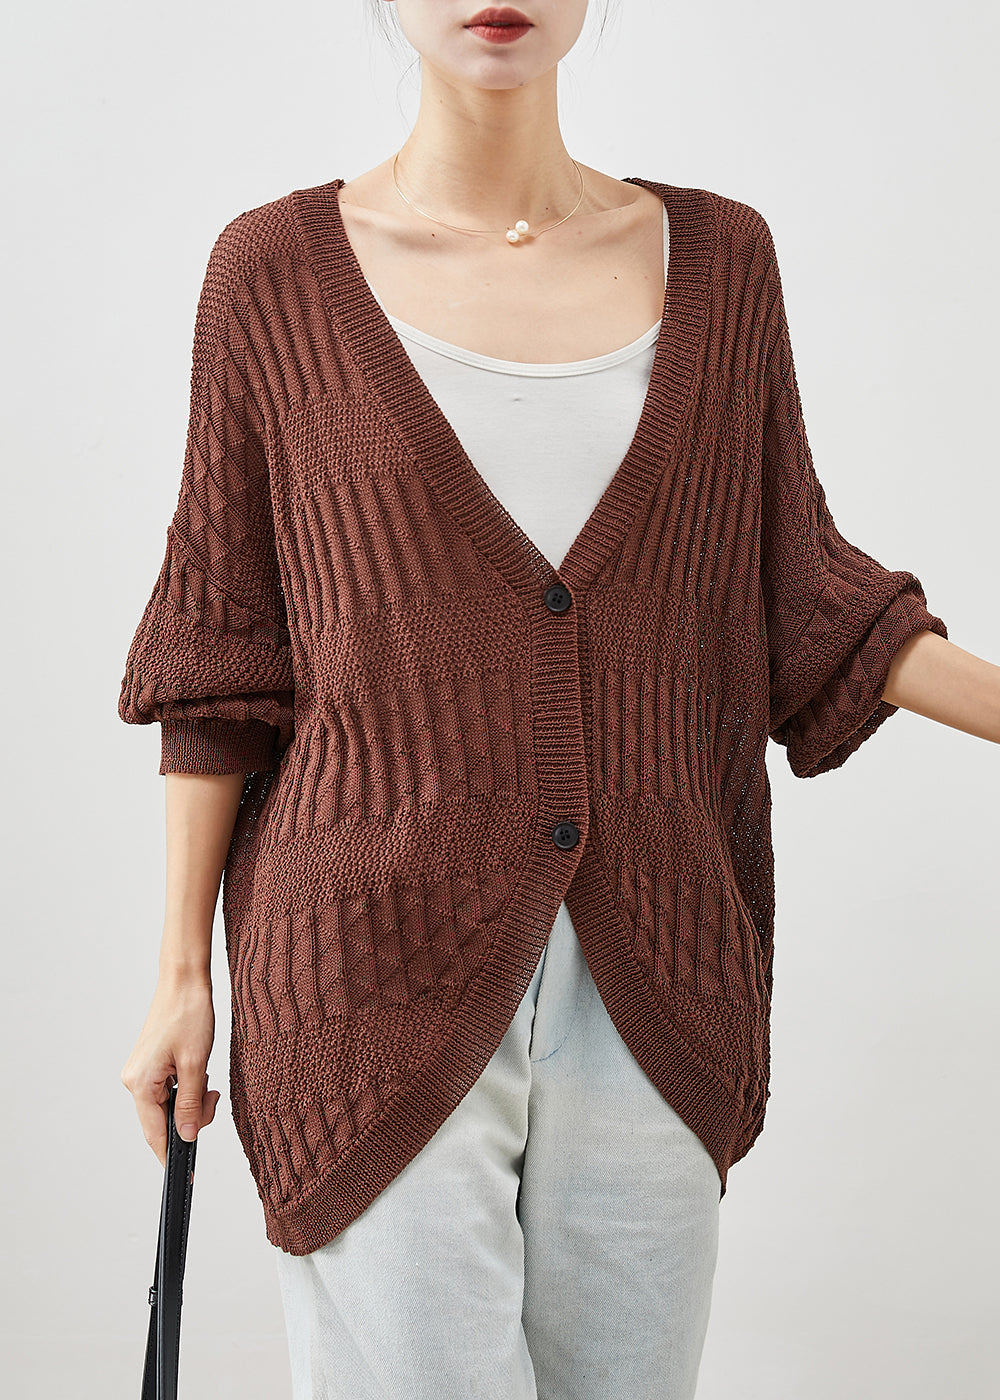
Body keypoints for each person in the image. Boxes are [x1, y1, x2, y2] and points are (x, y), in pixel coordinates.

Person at [117, 3, 1000, 1397]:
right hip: (364, 974)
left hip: (658, 966)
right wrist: (180, 976)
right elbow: (222, 663)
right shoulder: (273, 276)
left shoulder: (723, 263)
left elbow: (811, 602)